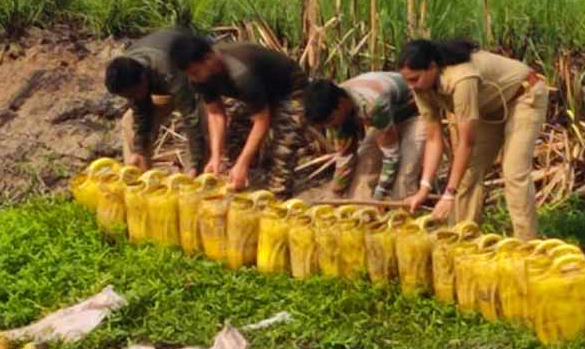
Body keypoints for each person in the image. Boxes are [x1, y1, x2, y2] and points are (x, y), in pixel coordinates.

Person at [398, 39, 548, 240]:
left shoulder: (462, 78)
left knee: (514, 172)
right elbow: (434, 138)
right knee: (468, 171)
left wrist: (449, 194)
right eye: (407, 80)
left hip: (524, 97)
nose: (411, 86)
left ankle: (526, 245)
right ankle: (462, 238)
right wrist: (424, 188)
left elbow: (466, 142)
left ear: (432, 67)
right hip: (491, 107)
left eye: (414, 79)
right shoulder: (421, 88)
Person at [169, 34, 307, 195]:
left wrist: (243, 162)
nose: (193, 78)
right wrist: (216, 156)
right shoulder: (200, 77)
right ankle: (245, 176)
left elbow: (262, 120)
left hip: (290, 90)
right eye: (189, 74)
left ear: (209, 58)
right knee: (234, 136)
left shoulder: (241, 73)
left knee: (283, 149)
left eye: (195, 72)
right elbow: (215, 114)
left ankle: (277, 195)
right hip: (258, 92)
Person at [303, 72, 425, 201]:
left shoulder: (372, 105)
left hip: (415, 114)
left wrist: (380, 194)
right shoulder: (336, 109)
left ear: (341, 104)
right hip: (386, 121)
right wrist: (334, 193)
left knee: (402, 186)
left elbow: (391, 155)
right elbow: (345, 156)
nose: (330, 127)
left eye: (330, 120)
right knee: (359, 186)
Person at [104, 28, 207, 175]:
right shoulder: (128, 70)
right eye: (128, 96)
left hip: (196, 84)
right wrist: (140, 150)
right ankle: (140, 177)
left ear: (143, 78)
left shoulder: (167, 68)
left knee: (202, 124)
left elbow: (191, 115)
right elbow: (141, 113)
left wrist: (195, 164)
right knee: (129, 121)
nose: (132, 98)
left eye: (133, 93)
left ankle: (195, 179)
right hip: (166, 89)